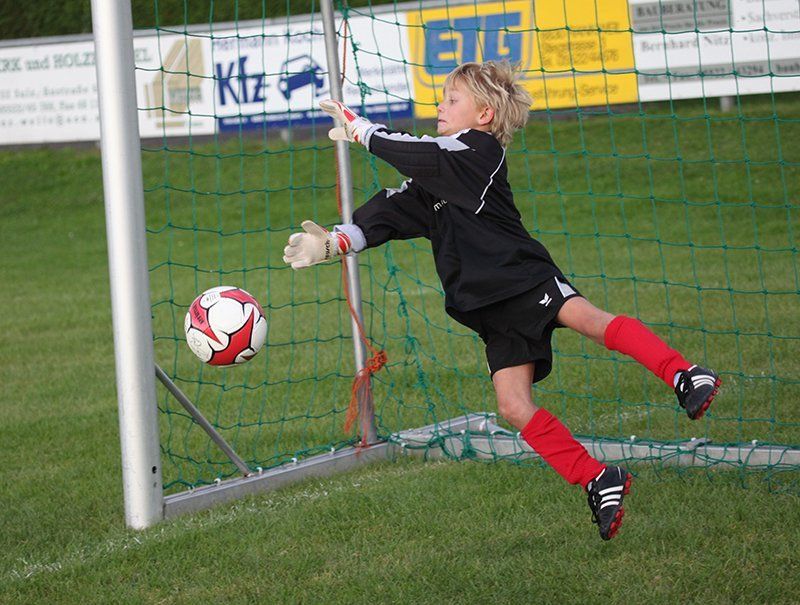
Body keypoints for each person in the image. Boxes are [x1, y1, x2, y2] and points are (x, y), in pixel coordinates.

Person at [282, 61, 721, 541]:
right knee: (513, 406)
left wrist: (364, 131)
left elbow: (422, 154)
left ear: (484, 115)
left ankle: (684, 373)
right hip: (488, 310)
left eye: (452, 100)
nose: (440, 106)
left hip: (522, 278)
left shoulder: (478, 152)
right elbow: (390, 212)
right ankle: (598, 477)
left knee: (591, 322)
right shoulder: (434, 176)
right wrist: (334, 242)